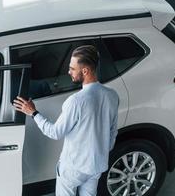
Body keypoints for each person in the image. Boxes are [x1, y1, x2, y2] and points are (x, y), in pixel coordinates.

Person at [13, 45, 119, 196]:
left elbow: (55, 133)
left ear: (85, 71)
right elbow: (112, 131)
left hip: (73, 169)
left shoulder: (76, 101)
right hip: (97, 166)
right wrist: (100, 151)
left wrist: (33, 112)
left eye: (72, 68)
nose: (68, 72)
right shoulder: (112, 95)